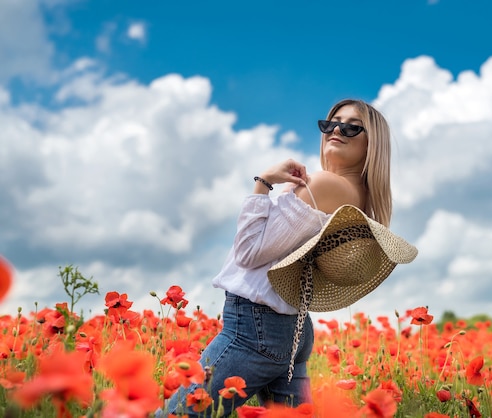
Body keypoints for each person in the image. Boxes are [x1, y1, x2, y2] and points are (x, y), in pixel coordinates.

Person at [158, 99, 392, 417]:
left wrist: (264, 182)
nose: (336, 130)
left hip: (254, 328)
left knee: (177, 415)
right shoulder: (358, 194)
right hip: (291, 325)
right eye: (330, 123)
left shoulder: (323, 185)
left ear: (372, 143)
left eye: (351, 126)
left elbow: (248, 253)